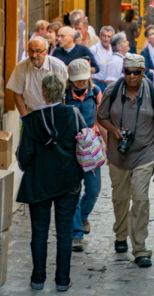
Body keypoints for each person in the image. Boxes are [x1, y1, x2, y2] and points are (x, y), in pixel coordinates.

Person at [16, 72, 85, 292]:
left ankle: (38, 279)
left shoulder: (31, 120)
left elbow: (24, 157)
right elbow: (83, 145)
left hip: (39, 182)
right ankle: (63, 281)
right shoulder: (73, 114)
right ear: (64, 91)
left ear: (43, 93)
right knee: (64, 232)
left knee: (39, 232)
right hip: (68, 181)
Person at [97, 53, 154, 268]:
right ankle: (120, 234)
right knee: (120, 198)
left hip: (144, 154)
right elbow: (101, 117)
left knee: (140, 198)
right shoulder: (112, 91)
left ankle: (140, 249)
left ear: (143, 72)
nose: (132, 76)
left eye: (137, 72)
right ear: (123, 72)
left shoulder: (153, 94)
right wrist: (114, 131)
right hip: (118, 155)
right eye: (128, 72)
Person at [64, 59, 101, 252]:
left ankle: (83, 214)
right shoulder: (63, 95)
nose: (80, 83)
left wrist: (103, 140)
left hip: (91, 147)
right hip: (69, 148)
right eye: (76, 80)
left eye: (83, 80)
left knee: (94, 189)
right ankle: (76, 233)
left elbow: (102, 117)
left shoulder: (95, 92)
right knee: (72, 191)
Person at [7, 36, 68, 116]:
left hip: (54, 113)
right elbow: (17, 93)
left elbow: (64, 92)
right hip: (32, 112)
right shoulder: (21, 67)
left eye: (38, 51)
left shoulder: (58, 66)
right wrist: (25, 117)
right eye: (31, 51)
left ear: (46, 52)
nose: (34, 55)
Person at [90, 26, 115, 92]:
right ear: (100, 36)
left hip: (110, 84)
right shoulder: (94, 49)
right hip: (97, 83)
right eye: (104, 36)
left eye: (109, 37)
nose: (106, 39)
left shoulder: (114, 49)